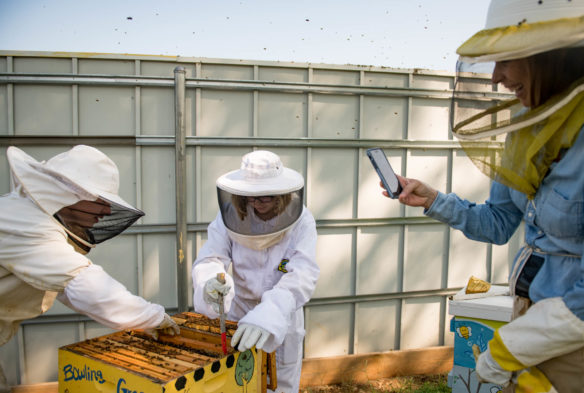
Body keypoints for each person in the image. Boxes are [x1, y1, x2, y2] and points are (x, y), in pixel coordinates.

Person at [383, 1, 584, 392]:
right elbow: (497, 223)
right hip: (531, 316)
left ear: (550, 53)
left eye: (505, 59)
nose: (495, 78)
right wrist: (433, 200)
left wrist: (516, 346)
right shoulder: (525, 132)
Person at [0, 145, 179, 392]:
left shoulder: (33, 219)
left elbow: (64, 285)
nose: (106, 212)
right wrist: (154, 316)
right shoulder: (27, 225)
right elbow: (84, 285)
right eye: (101, 201)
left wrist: (141, 320)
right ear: (70, 193)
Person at [192, 150, 319, 393]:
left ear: (281, 195)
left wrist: (269, 314)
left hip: (281, 314)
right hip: (239, 311)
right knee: (236, 384)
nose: (257, 203)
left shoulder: (302, 220)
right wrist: (209, 280)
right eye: (251, 197)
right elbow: (211, 257)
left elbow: (303, 273)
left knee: (279, 386)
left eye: (265, 197)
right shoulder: (228, 215)